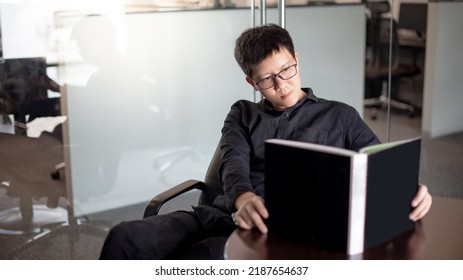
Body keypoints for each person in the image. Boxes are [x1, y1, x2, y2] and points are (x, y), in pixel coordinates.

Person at [99, 23, 432, 260]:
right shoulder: (243, 113)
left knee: (209, 257)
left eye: (287, 70)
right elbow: (233, 164)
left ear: (297, 59)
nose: (282, 84)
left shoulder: (339, 116)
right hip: (216, 215)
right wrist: (242, 198)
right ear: (251, 81)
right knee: (125, 237)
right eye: (267, 79)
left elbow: (380, 163)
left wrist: (409, 188)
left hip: (272, 232)